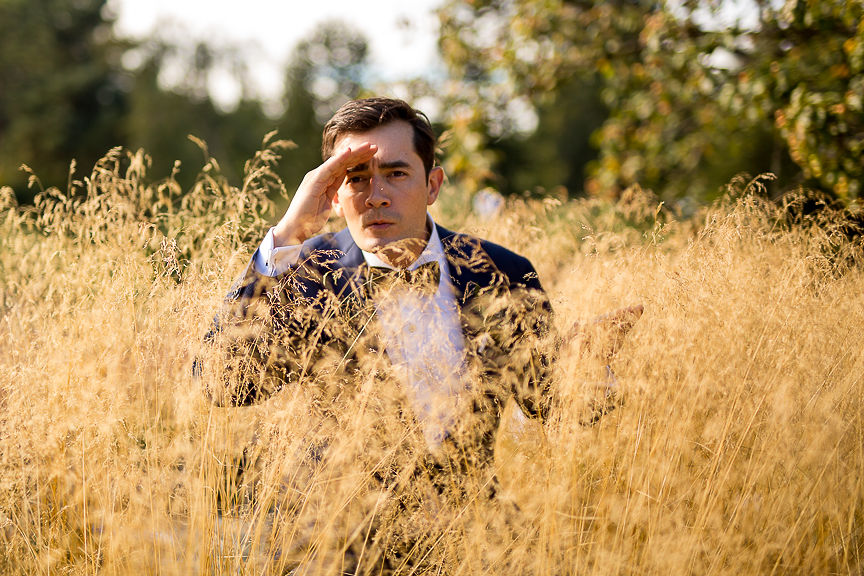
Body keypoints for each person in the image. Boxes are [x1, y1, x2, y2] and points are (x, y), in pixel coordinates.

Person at [202, 97, 640, 573]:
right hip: (335, 549)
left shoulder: (502, 272)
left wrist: (587, 365)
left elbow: (552, 406)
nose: (377, 195)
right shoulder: (306, 274)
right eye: (357, 178)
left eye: (396, 173)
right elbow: (222, 383)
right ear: (333, 190)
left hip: (472, 543)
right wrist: (289, 233)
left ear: (432, 185)